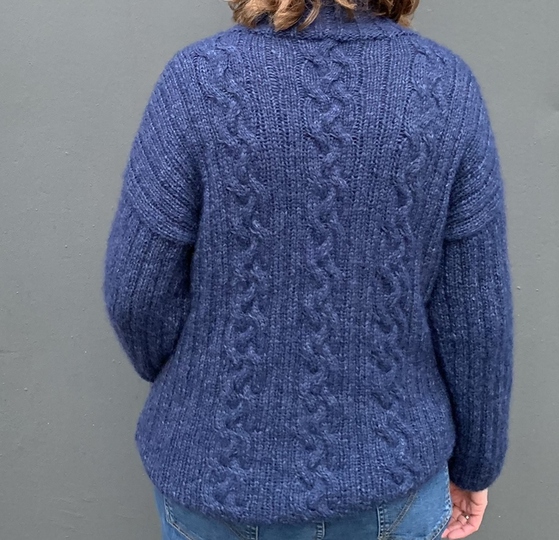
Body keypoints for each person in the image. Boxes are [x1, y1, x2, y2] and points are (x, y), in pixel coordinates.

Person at [102, 0, 514, 538]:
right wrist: (477, 465)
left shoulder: (197, 80)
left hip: (216, 478)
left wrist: (198, 376)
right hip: (390, 481)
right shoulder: (446, 87)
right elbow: (476, 315)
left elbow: (136, 292)